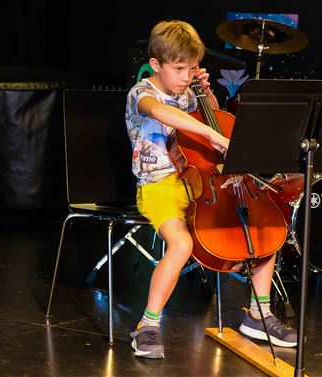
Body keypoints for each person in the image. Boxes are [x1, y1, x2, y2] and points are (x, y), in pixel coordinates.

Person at [125, 19, 297, 359]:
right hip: (159, 187)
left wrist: (206, 94)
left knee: (265, 227)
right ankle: (148, 324)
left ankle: (258, 314)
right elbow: (168, 116)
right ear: (156, 65)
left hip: (202, 182)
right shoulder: (142, 94)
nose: (186, 77)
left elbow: (211, 119)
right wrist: (213, 135)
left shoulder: (190, 92)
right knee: (182, 243)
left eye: (192, 69)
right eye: (179, 69)